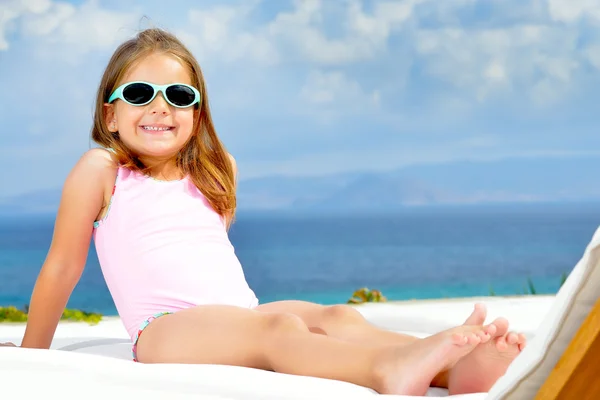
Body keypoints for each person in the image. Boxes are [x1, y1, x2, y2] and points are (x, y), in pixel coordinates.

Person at [5, 28, 526, 396]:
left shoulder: (216, 169)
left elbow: (209, 262)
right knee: (281, 332)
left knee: (336, 317)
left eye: (178, 95)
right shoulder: (101, 170)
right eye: (140, 94)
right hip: (167, 328)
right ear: (110, 113)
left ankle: (454, 369)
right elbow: (62, 267)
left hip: (241, 315)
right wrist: (33, 355)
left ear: (197, 111)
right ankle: (388, 370)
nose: (160, 107)